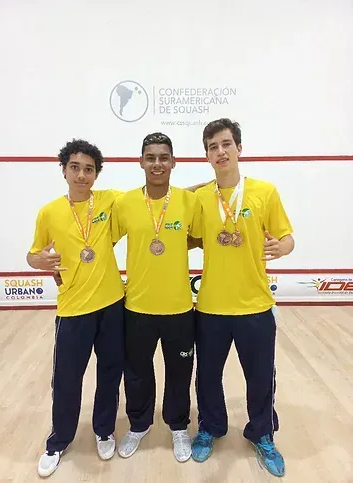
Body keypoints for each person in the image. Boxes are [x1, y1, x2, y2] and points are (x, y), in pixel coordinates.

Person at [191, 119, 294, 477]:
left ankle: (262, 432)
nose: (220, 152)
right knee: (207, 376)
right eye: (212, 147)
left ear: (239, 148)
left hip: (255, 306)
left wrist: (282, 246)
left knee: (261, 377)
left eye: (226, 144)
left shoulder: (265, 192)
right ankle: (210, 427)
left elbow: (287, 237)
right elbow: (175, 227)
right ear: (206, 155)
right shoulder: (200, 199)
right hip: (210, 308)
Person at [27, 139, 125, 477]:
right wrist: (38, 261)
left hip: (113, 306)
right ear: (64, 170)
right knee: (67, 379)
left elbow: (154, 198)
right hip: (72, 311)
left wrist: (210, 185)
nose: (82, 174)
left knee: (110, 373)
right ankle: (58, 440)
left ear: (96, 174)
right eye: (75, 168)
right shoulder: (50, 212)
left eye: (88, 169)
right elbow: (34, 254)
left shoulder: (110, 201)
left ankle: (103, 430)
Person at [111, 132, 201, 463]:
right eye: (151, 157)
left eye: (164, 157)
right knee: (136, 370)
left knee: (179, 370)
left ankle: (178, 425)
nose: (157, 163)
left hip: (179, 308)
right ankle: (138, 424)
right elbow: (101, 241)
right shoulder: (124, 204)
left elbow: (201, 238)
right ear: (141, 162)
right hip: (137, 307)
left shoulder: (189, 202)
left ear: (174, 163)